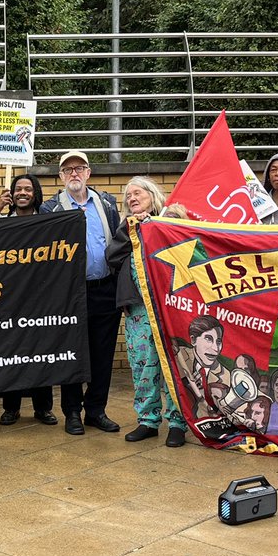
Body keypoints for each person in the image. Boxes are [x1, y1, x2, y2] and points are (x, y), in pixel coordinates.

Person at [40, 150, 122, 436]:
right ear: (60, 176)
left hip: (104, 289)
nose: (74, 173)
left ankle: (96, 410)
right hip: (69, 295)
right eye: (68, 169)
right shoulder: (50, 209)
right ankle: (72, 412)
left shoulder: (107, 203)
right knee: (72, 354)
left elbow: (119, 242)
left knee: (103, 355)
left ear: (88, 173)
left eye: (80, 168)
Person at [107, 176, 187, 446]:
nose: (131, 198)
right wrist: (132, 232)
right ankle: (148, 421)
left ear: (152, 196)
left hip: (169, 308)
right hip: (138, 309)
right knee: (143, 365)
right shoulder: (126, 227)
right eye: (128, 195)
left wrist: (170, 224)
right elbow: (112, 257)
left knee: (173, 365)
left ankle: (177, 422)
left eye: (137, 193)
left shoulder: (170, 221)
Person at [0, 173, 56, 426]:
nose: (22, 193)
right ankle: (11, 408)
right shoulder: (3, 221)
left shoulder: (46, 222)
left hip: (39, 299)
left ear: (35, 194)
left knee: (41, 354)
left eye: (27, 189)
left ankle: (43, 408)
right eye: (18, 189)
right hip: (9, 300)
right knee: (11, 354)